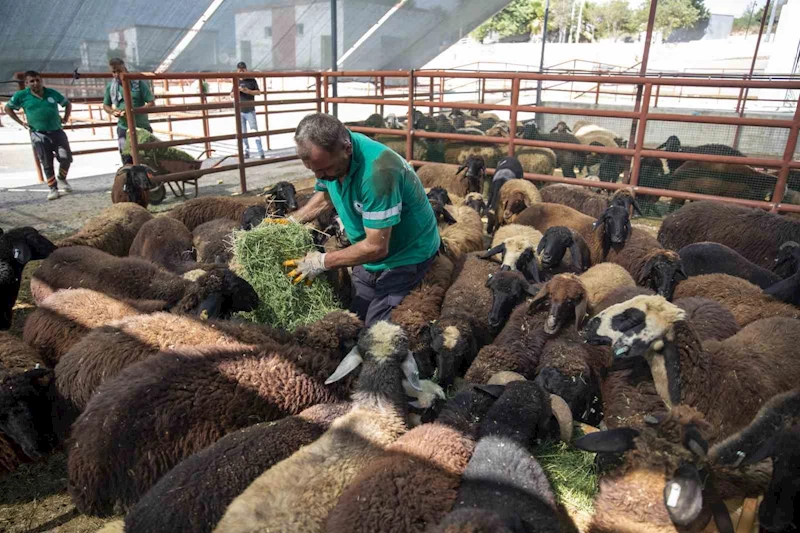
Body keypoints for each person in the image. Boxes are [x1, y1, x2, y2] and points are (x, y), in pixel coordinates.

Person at [285, 113, 440, 327]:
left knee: (376, 331)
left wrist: (322, 261)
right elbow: (326, 194)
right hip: (365, 254)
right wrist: (292, 221)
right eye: (314, 171)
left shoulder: (378, 172)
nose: (320, 177)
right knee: (353, 321)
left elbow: (377, 247)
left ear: (346, 148)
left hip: (405, 254)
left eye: (325, 169)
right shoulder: (333, 162)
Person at [5, 70, 73, 201]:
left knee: (66, 157)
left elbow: (67, 104)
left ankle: (62, 178)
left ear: (41, 81)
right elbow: (8, 108)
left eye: (38, 80)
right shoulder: (21, 95)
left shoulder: (52, 93)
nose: (35, 83)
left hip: (57, 131)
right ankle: (53, 188)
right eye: (32, 81)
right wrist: (21, 122)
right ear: (26, 83)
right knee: (46, 161)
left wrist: (65, 118)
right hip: (38, 133)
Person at [103, 58, 155, 158]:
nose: (117, 74)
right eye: (114, 72)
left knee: (148, 157)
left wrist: (135, 112)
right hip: (123, 127)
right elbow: (106, 105)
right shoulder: (111, 86)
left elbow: (151, 102)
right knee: (126, 156)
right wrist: (113, 112)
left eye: (119, 71)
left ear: (125, 69)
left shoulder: (138, 83)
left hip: (142, 126)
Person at [233, 62, 264, 159]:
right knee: (243, 133)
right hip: (240, 111)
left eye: (243, 69)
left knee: (254, 131)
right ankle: (246, 152)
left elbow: (258, 92)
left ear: (246, 70)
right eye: (240, 70)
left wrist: (248, 91)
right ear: (237, 70)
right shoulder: (236, 80)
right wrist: (237, 90)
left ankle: (260, 152)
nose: (241, 71)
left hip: (250, 110)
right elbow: (231, 94)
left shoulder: (251, 80)